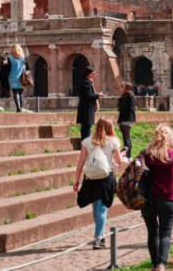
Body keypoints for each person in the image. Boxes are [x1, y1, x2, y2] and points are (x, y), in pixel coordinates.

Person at [139, 124, 173, 271]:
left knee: (152, 232)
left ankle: (155, 264)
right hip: (168, 199)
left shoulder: (146, 156)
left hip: (148, 200)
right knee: (165, 234)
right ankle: (161, 264)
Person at [73, 118, 124, 249]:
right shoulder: (113, 142)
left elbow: (81, 161)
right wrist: (122, 155)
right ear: (110, 128)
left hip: (91, 178)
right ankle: (98, 238)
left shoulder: (87, 141)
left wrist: (77, 179)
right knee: (102, 208)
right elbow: (119, 161)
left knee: (96, 208)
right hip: (106, 178)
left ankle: (100, 234)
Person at [0, 44, 28, 112]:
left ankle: (18, 108)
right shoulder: (23, 57)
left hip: (12, 78)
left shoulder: (9, 58)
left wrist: (4, 63)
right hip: (21, 77)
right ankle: (20, 107)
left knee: (15, 93)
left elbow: (5, 66)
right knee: (20, 94)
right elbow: (26, 67)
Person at [76, 67, 103, 140]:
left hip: (87, 107)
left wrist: (97, 94)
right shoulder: (86, 83)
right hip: (86, 108)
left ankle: (85, 142)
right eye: (93, 73)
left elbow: (89, 94)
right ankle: (85, 142)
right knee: (86, 126)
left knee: (86, 125)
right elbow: (88, 95)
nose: (95, 75)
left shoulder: (86, 82)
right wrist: (98, 95)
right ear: (88, 74)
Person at [117, 82, 136, 159]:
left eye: (122, 86)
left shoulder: (130, 96)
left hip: (127, 118)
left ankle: (127, 155)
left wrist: (122, 104)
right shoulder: (124, 96)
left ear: (126, 88)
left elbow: (130, 107)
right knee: (126, 137)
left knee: (126, 137)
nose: (120, 87)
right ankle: (128, 155)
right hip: (124, 118)